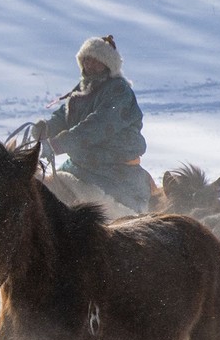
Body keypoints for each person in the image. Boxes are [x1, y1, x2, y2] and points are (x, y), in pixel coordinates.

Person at [32, 35, 153, 217]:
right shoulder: (83, 87)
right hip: (80, 165)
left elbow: (98, 126)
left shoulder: (119, 91)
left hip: (113, 171)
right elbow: (64, 116)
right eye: (86, 59)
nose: (89, 64)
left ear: (108, 64)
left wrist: (59, 143)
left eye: (96, 60)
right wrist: (46, 128)